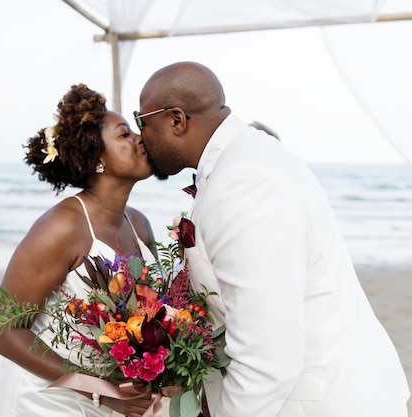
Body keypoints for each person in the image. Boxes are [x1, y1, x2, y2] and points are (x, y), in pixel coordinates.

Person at [135, 61, 410, 416]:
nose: (141, 135)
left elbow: (267, 358)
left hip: (320, 402)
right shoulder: (240, 161)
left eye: (143, 121)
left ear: (176, 120)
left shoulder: (244, 179)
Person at [0, 84, 156, 417]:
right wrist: (102, 391)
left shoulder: (140, 225)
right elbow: (4, 330)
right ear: (97, 159)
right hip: (39, 398)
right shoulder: (62, 226)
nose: (140, 138)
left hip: (110, 398)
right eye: (124, 135)